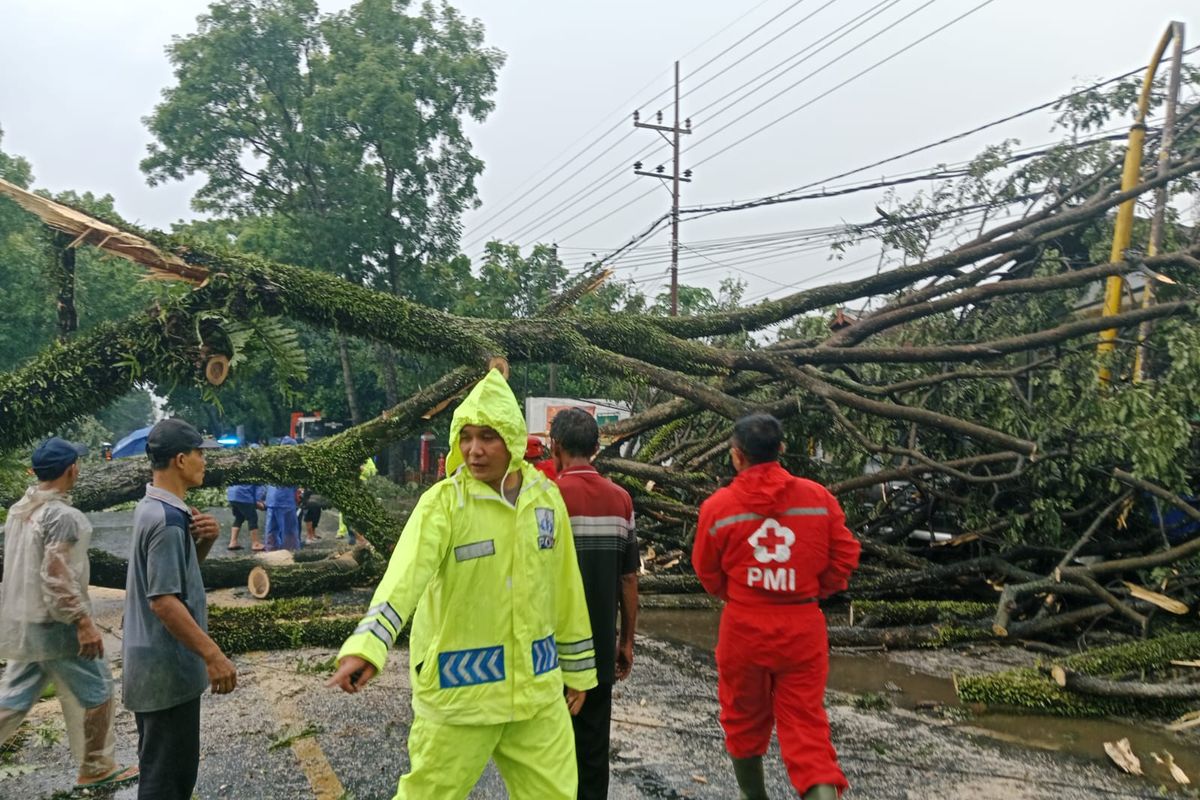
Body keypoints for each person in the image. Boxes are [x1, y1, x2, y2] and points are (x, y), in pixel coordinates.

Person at [328, 369, 597, 799]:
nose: (474, 450)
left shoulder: (545, 500)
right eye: (466, 437)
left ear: (512, 440)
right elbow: (403, 579)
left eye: (488, 437)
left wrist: (578, 670)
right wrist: (368, 645)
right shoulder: (444, 504)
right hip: (461, 696)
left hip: (536, 694)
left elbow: (565, 590)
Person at [691, 414, 860, 800]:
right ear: (781, 449)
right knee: (807, 730)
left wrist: (740, 594)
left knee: (742, 720)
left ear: (737, 455)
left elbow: (706, 570)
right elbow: (845, 556)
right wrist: (812, 589)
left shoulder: (718, 507)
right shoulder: (818, 499)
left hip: (743, 628)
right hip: (802, 626)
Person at [0, 438, 139, 792]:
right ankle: (96, 767)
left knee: (13, 699)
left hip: (28, 622)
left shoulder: (21, 510)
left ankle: (96, 765)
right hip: (57, 625)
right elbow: (56, 576)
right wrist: (83, 623)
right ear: (71, 469)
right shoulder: (61, 516)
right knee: (99, 690)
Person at [122, 418, 237, 800]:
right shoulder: (168, 521)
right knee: (166, 782)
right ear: (181, 460)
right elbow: (164, 602)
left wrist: (204, 542)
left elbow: (174, 581)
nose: (206, 461)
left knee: (165, 772)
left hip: (156, 666)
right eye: (200, 453)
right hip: (165, 670)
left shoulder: (154, 507)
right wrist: (213, 655)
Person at [550, 408, 638, 800]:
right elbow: (629, 579)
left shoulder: (546, 498)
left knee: (549, 750)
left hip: (549, 650)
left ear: (555, 447)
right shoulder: (621, 500)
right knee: (593, 751)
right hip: (599, 647)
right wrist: (626, 641)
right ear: (596, 448)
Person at [264, 436, 301, 551]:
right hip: (285, 501)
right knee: (289, 530)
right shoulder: (292, 463)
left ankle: (271, 552)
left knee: (272, 529)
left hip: (271, 500)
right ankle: (291, 553)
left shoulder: (272, 460)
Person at [336, 456, 377, 544]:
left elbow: (373, 472)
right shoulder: (348, 457)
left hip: (361, 487)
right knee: (344, 510)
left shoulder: (367, 459)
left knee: (359, 511)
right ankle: (343, 532)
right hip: (348, 485)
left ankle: (360, 535)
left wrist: (363, 469)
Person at [226, 482, 266, 551]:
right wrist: (258, 502)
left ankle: (233, 542)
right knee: (253, 518)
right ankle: (255, 544)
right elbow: (260, 489)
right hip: (244, 496)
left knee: (239, 517)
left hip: (232, 495)